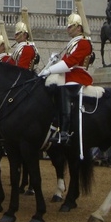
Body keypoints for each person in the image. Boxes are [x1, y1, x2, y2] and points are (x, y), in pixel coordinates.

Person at [38, 10, 93, 145]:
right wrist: (54, 62)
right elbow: (65, 61)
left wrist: (50, 70)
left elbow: (71, 62)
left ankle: (65, 131)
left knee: (64, 90)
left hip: (78, 76)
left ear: (79, 27)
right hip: (69, 74)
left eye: (70, 26)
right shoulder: (74, 43)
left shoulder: (84, 43)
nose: (67, 29)